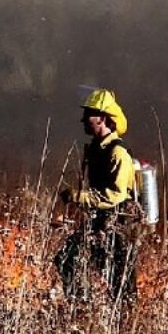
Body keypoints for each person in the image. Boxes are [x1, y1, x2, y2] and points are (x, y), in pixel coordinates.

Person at [54, 88, 140, 303]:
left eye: (89, 114)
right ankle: (82, 306)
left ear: (102, 118)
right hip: (100, 221)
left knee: (120, 284)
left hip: (117, 223)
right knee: (66, 259)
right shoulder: (97, 149)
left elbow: (115, 195)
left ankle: (121, 317)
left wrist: (78, 197)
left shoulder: (118, 153)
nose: (83, 120)